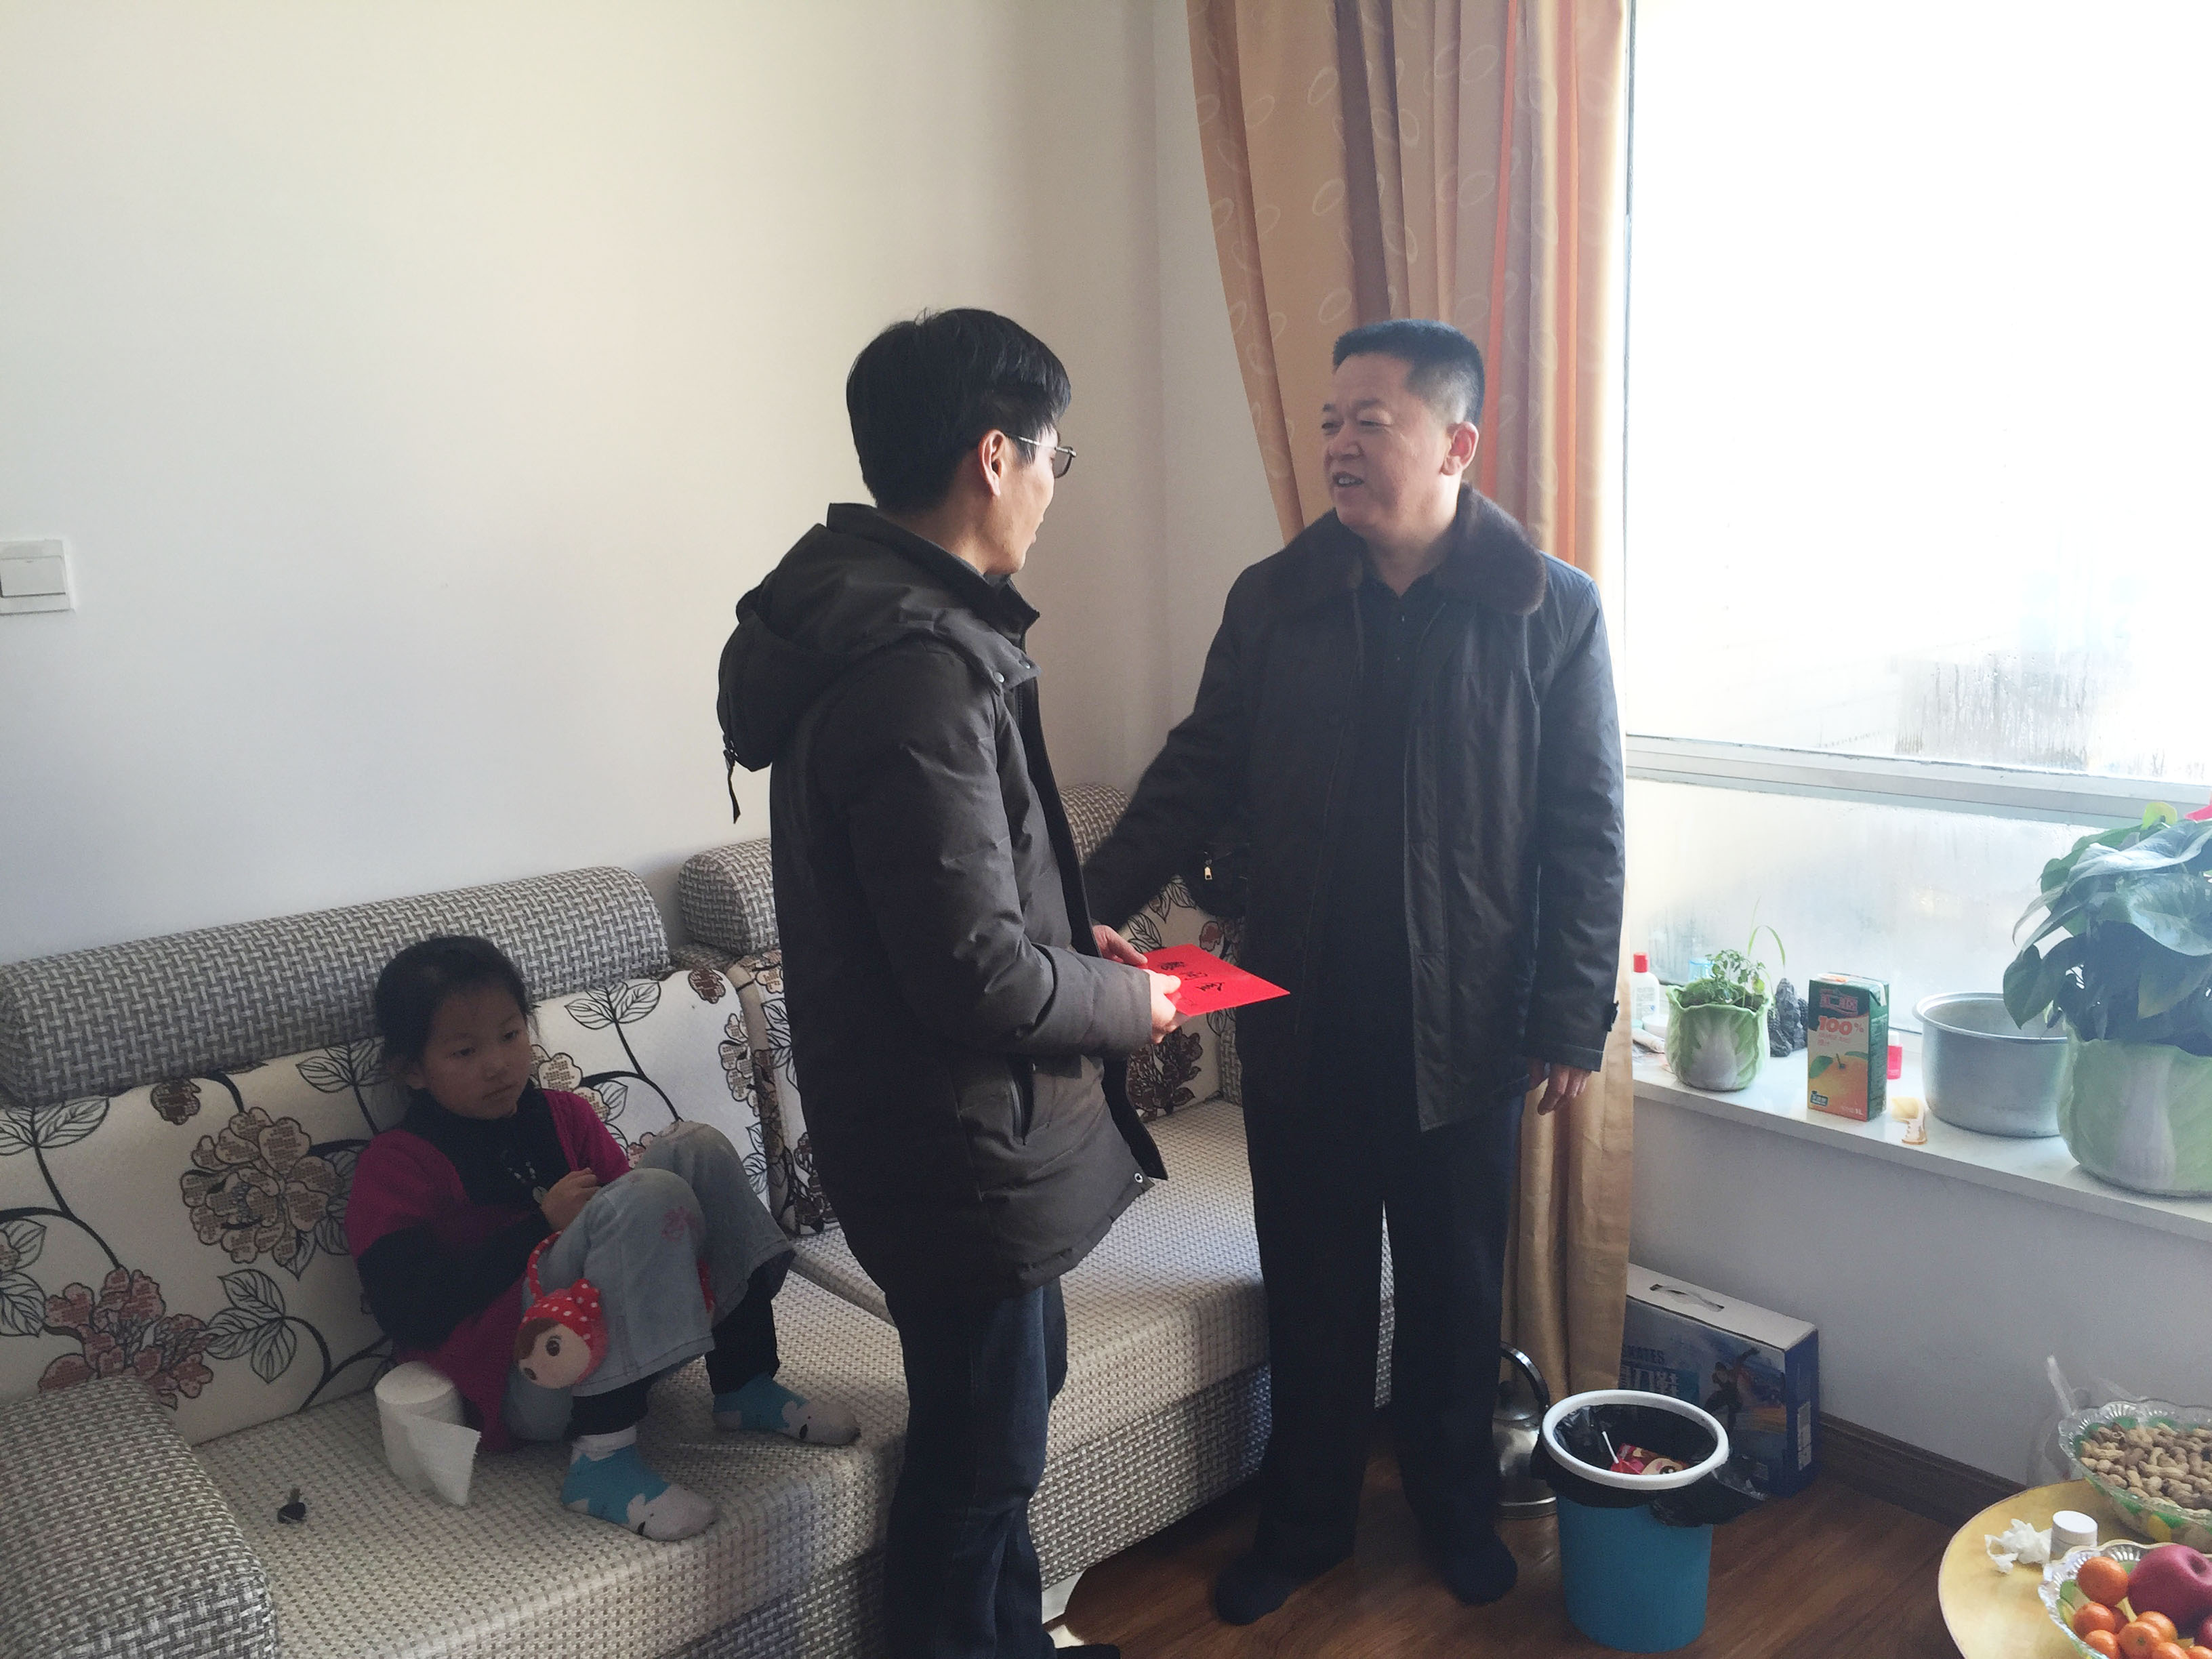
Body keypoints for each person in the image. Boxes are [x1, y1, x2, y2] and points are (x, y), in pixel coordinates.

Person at [1083, 318, 1626, 1623]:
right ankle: (1304, 1522)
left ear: (1454, 443)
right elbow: (1192, 772)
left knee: (1451, 1295)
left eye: (1367, 420)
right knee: (1312, 1288)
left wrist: (1569, 1014)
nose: (1336, 443)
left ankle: (1452, 1511)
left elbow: (1584, 826)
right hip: (1298, 1012)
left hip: (1467, 1026)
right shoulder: (1273, 599)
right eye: (1328, 420)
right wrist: (1071, 905)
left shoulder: (1546, 608)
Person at [717, 308, 1178, 1659]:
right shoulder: (915, 667)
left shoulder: (883, 627)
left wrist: (1085, 952)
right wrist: (1135, 1007)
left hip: (943, 1133)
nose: (1052, 485)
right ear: (994, 456)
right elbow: (974, 975)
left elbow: (966, 900)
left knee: (1004, 1426)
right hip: (956, 1148)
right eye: (1052, 456)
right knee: (978, 1468)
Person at [348, 935, 857, 1542]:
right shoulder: (398, 1163)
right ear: (411, 1070)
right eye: (464, 1051)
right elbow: (407, 1308)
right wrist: (540, 1226)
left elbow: (640, 1232)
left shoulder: (566, 1116)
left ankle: (743, 1384)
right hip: (525, 1380)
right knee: (644, 1193)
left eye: (511, 1035)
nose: (498, 1064)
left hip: (621, 1347)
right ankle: (601, 1460)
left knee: (696, 1147)